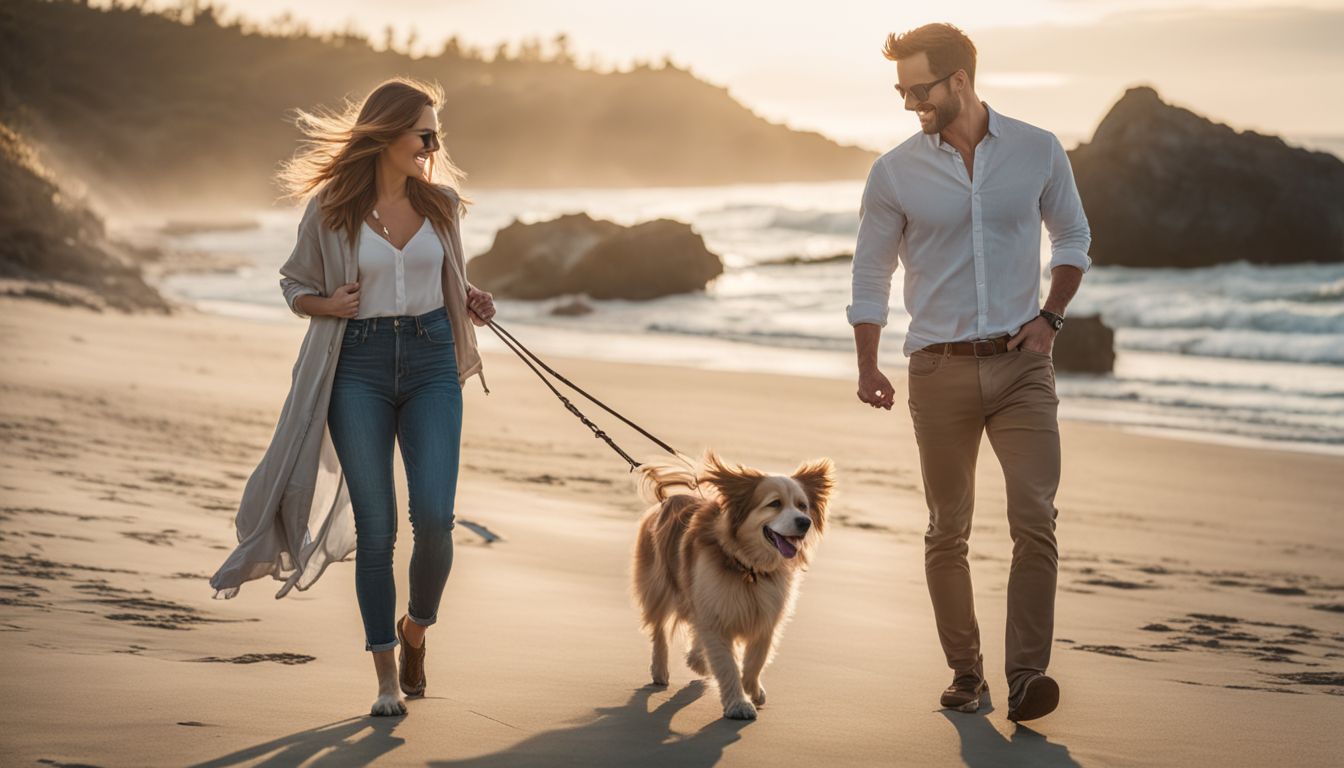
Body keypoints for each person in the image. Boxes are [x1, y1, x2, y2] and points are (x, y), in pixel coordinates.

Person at [209, 77, 496, 717]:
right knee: (378, 528)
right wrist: (324, 303)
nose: (433, 142)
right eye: (424, 131)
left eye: (436, 133)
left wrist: (472, 300)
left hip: (430, 362)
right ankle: (386, 680)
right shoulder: (331, 208)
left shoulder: (443, 205)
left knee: (436, 520)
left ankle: (416, 628)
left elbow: (453, 278)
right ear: (389, 132)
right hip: (356, 366)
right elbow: (291, 284)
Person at [847, 23, 1091, 723]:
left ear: (960, 81)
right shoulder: (894, 172)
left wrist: (1051, 315)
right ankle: (966, 672)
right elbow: (871, 271)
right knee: (946, 528)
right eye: (899, 90)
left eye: (917, 89)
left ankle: (1026, 677)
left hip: (1022, 370)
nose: (906, 104)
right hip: (938, 371)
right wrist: (868, 362)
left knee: (1035, 518)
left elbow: (1072, 235)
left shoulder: (1038, 150)